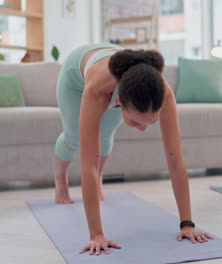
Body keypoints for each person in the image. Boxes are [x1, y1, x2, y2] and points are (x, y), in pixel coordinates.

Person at [53, 43, 212, 255]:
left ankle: (99, 182)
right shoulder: (97, 92)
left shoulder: (163, 93)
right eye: (137, 123)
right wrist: (96, 235)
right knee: (74, 137)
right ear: (118, 101)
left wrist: (187, 224)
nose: (144, 129)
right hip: (75, 76)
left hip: (123, 70)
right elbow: (88, 165)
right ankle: (60, 180)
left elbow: (175, 160)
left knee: (106, 132)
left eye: (150, 122)